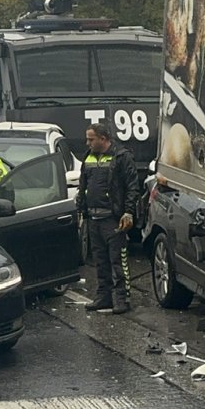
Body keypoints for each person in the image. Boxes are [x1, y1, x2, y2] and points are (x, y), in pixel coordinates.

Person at [75, 123, 138, 315]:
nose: (88, 143)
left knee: (117, 260)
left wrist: (128, 212)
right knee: (100, 261)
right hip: (93, 218)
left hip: (113, 219)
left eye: (91, 139)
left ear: (103, 139)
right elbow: (83, 184)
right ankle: (104, 297)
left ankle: (121, 298)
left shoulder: (121, 156)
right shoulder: (89, 157)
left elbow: (132, 186)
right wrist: (82, 207)